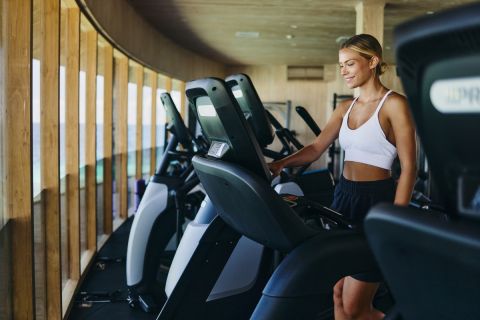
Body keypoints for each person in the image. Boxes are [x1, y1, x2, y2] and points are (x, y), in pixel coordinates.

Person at [268, 34, 416, 320]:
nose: (344, 71)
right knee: (338, 295)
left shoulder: (394, 104)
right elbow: (314, 149)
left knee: (355, 307)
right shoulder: (344, 107)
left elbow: (409, 167)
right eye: (341, 66)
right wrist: (278, 164)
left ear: (372, 61)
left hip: (377, 202)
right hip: (343, 197)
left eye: (350, 63)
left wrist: (397, 223)